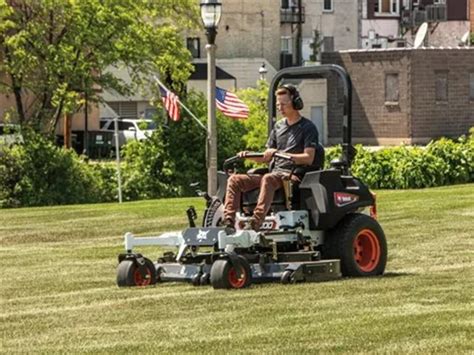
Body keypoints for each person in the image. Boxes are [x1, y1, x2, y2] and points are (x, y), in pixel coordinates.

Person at [223, 84, 320, 231]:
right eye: (278, 104)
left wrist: (281, 154)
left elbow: (308, 158)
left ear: (295, 103)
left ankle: (255, 222)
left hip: (292, 176)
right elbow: (266, 157)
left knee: (268, 178)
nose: (280, 108)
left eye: (283, 104)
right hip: (274, 174)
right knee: (234, 180)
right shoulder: (278, 127)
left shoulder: (308, 127)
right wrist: (249, 155)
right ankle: (228, 222)